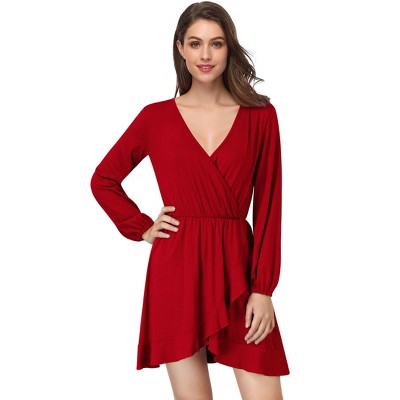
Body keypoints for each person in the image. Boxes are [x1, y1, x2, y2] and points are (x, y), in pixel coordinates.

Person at [91, 1, 289, 399]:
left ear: (229, 48)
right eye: (195, 43)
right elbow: (104, 179)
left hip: (238, 271)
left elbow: (270, 206)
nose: (205, 54)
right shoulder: (155, 118)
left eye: (216, 43)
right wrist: (142, 227)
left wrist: (264, 288)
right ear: (180, 48)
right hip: (177, 269)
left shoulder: (260, 116)